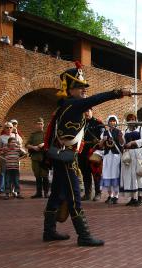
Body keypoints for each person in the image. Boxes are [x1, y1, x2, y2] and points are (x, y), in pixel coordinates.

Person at [42, 61, 130, 246]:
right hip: (66, 159)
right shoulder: (72, 104)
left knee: (56, 194)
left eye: (83, 87)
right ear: (70, 89)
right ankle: (83, 235)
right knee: (74, 196)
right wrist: (117, 93)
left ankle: (49, 231)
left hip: (61, 156)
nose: (83, 90)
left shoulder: (67, 106)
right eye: (79, 86)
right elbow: (94, 100)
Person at [120, 112, 142, 206]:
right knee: (130, 175)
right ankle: (133, 198)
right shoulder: (126, 131)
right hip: (129, 155)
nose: (131, 121)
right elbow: (123, 143)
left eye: (133, 119)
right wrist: (121, 139)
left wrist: (133, 142)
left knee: (139, 174)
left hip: (138, 153)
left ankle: (140, 198)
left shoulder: (141, 129)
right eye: (129, 120)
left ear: (135, 120)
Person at [79, 109, 103, 201]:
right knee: (85, 173)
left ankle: (98, 193)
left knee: (96, 173)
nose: (86, 113)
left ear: (92, 111)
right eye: (84, 111)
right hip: (83, 152)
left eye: (88, 111)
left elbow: (101, 137)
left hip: (93, 151)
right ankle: (87, 193)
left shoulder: (97, 123)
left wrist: (97, 141)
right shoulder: (81, 123)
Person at [100, 115, 124, 205]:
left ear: (116, 122)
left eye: (114, 121)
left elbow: (122, 144)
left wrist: (120, 137)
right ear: (108, 122)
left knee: (115, 174)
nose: (112, 122)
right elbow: (100, 145)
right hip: (107, 156)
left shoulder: (119, 132)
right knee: (107, 175)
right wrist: (103, 140)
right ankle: (110, 195)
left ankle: (116, 196)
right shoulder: (104, 133)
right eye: (111, 121)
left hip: (115, 156)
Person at [26, 117, 49, 198]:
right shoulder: (33, 135)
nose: (39, 125)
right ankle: (39, 193)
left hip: (44, 158)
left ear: (43, 124)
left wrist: (43, 144)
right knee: (37, 175)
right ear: (35, 125)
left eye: (41, 124)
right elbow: (27, 145)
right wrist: (33, 147)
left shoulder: (46, 134)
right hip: (35, 157)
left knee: (45, 175)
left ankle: (46, 193)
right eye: (38, 124)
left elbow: (50, 142)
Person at [0, 122, 23, 194]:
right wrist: (4, 150)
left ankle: (14, 190)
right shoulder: (1, 137)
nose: (9, 129)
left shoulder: (15, 135)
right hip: (5, 158)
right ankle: (3, 189)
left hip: (15, 158)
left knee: (15, 175)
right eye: (7, 127)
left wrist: (16, 133)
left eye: (10, 127)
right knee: (4, 173)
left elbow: (20, 144)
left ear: (13, 128)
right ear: (4, 128)